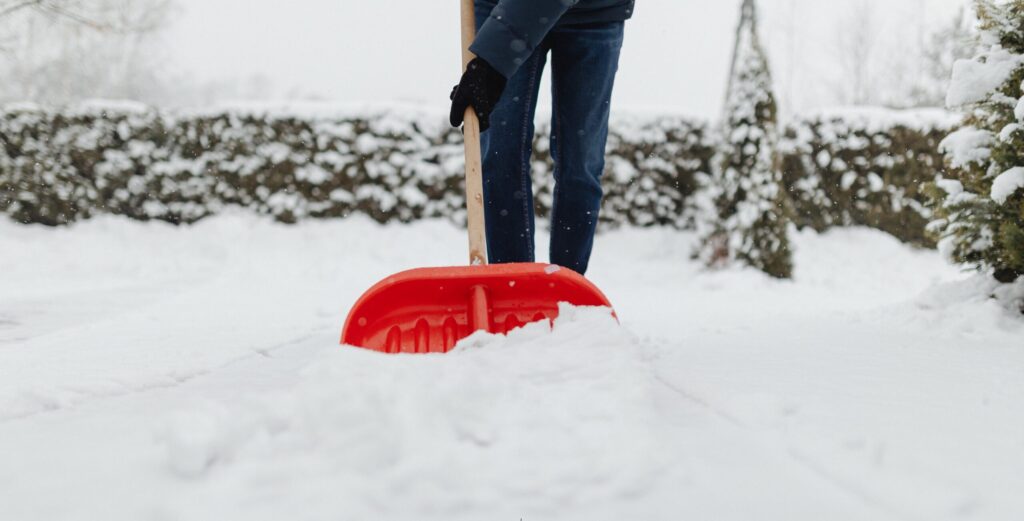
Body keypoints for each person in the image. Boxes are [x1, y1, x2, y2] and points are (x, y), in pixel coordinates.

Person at [450, 0, 634, 275]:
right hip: (502, 7)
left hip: (596, 13)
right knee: (499, 156)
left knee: (581, 162)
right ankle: (514, 289)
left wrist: (492, 61)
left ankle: (569, 295)